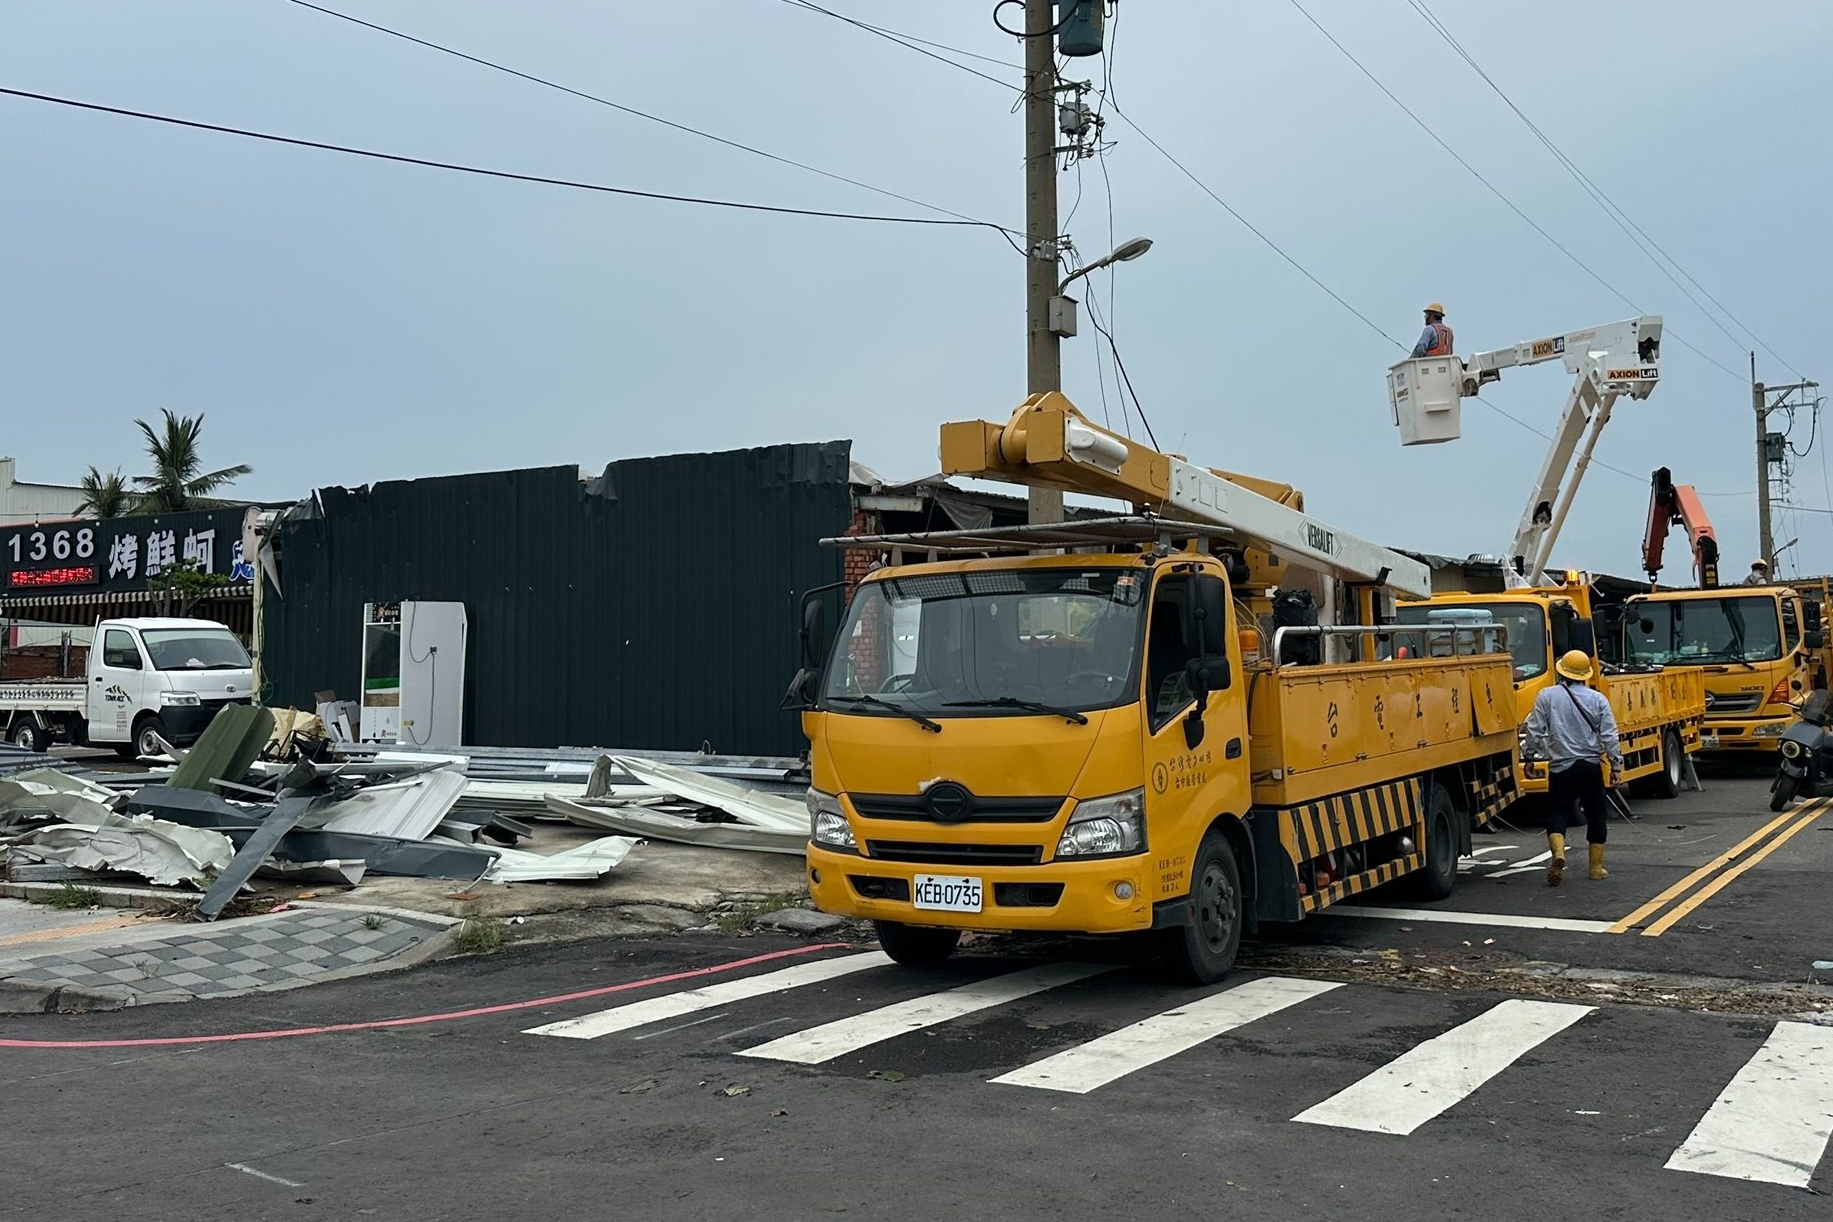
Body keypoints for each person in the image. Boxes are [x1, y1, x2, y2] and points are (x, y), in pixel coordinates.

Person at [1524, 649, 1622, 886]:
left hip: (1561, 767)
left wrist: (1529, 756)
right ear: (1585, 675)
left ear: (1561, 672)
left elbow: (1534, 729)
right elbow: (1609, 734)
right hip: (1590, 766)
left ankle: (1558, 854)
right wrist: (1616, 763)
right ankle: (1596, 868)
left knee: (1557, 811)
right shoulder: (1597, 699)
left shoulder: (1546, 696)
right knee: (1597, 814)